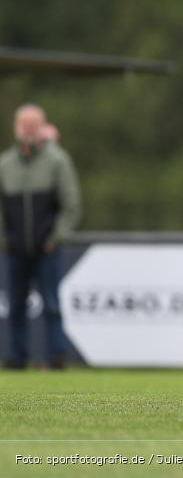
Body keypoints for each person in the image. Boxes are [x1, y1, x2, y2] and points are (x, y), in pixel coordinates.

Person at [0, 105, 81, 370]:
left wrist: (55, 238)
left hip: (47, 247)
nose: (28, 129)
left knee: (52, 303)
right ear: (16, 127)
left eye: (34, 124)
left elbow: (71, 204)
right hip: (16, 248)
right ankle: (16, 357)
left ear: (42, 127)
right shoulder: (6, 164)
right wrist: (5, 240)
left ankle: (56, 355)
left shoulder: (57, 161)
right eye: (24, 124)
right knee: (16, 306)